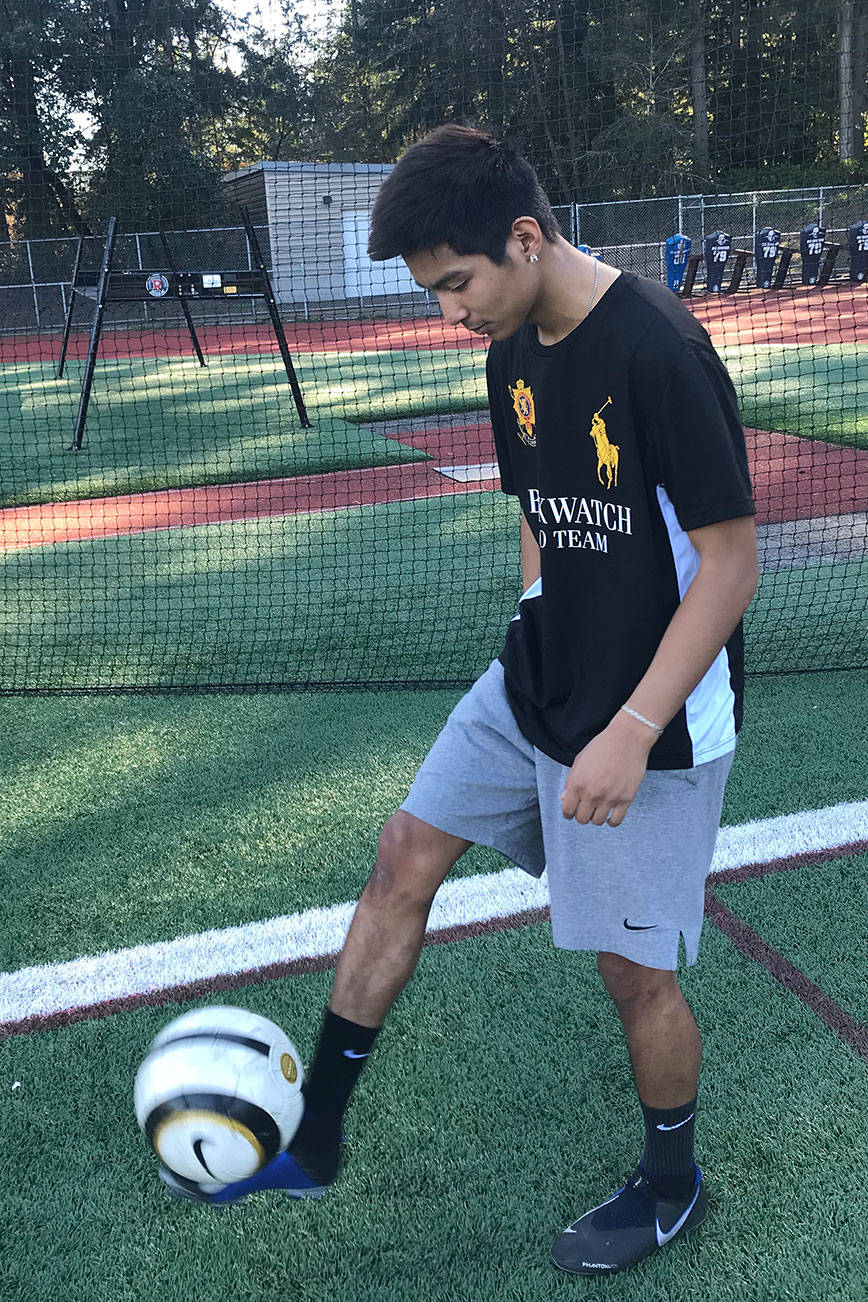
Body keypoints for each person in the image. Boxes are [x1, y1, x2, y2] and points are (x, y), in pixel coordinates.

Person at [163, 124, 758, 1277]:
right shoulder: (509, 353)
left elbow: (730, 563)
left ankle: (672, 1184)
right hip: (533, 678)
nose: (449, 313)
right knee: (401, 858)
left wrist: (630, 733)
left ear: (524, 237)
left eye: (455, 284)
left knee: (632, 971)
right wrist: (527, 616)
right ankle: (320, 1138)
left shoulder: (660, 350)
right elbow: (539, 506)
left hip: (653, 715)